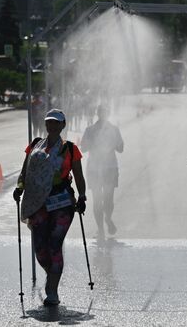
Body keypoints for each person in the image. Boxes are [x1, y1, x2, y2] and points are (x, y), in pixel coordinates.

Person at [13, 108, 87, 306]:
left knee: (54, 244)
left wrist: (82, 196)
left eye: (56, 122)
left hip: (62, 203)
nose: (52, 125)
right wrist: (19, 188)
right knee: (40, 248)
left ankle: (52, 290)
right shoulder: (36, 146)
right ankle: (52, 273)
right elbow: (24, 171)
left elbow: (78, 176)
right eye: (49, 122)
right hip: (38, 203)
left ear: (63, 125)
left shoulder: (70, 149)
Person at [80, 104, 124, 241]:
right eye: (101, 112)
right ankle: (100, 229)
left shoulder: (114, 129)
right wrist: (93, 143)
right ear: (97, 114)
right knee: (97, 199)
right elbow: (83, 148)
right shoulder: (90, 130)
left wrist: (114, 143)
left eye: (105, 112)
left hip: (110, 167)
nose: (103, 115)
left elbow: (121, 148)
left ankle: (108, 218)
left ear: (108, 114)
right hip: (94, 168)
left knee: (109, 199)